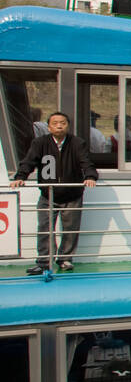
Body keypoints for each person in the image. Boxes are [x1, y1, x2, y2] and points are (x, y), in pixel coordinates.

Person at [10, 111, 98, 273]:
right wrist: (20, 176)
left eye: (63, 123)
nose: (59, 125)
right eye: (55, 123)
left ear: (68, 126)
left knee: (71, 228)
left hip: (72, 194)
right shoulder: (40, 143)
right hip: (48, 194)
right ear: (48, 127)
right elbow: (29, 161)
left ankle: (65, 259)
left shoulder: (77, 143)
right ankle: (44, 262)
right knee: (45, 228)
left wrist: (90, 176)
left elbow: (86, 162)